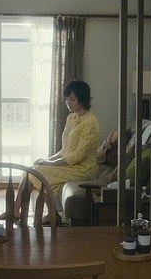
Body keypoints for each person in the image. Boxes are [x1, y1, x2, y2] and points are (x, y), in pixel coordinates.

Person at [14, 80, 100, 221]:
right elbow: (65, 149)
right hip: (71, 165)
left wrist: (51, 164)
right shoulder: (71, 117)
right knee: (32, 169)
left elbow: (78, 155)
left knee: (39, 172)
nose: (68, 102)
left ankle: (52, 214)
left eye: (72, 99)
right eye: (67, 99)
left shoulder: (90, 122)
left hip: (83, 169)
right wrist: (47, 160)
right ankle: (15, 210)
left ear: (83, 99)